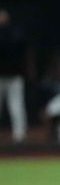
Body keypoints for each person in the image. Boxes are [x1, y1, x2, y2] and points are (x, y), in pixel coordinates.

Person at [0, 9, 30, 143]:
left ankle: (19, 134)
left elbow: (25, 52)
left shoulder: (15, 33)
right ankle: (19, 133)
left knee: (16, 105)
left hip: (14, 76)